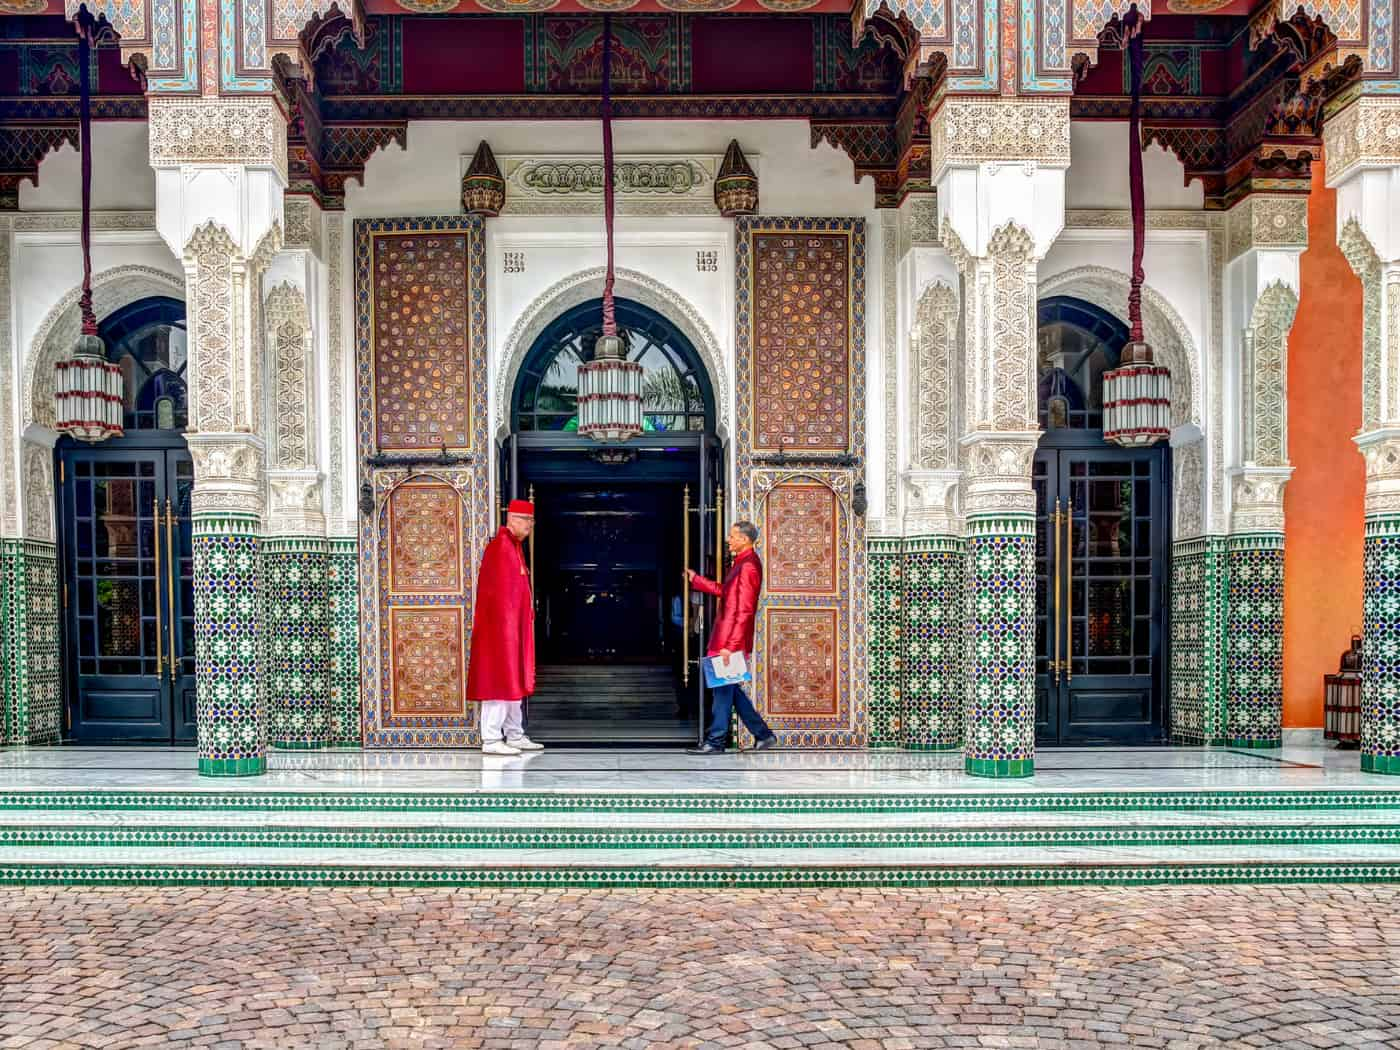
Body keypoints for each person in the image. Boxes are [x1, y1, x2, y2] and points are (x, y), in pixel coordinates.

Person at [684, 520, 777, 755]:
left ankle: (715, 741)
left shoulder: (749, 566)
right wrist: (697, 580)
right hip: (726, 639)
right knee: (728, 690)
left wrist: (731, 647)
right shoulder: (742, 563)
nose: (728, 540)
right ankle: (763, 735)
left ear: (744, 539)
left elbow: (745, 609)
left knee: (723, 692)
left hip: (729, 642)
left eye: (732, 536)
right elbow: (726, 592)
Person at [466, 499, 543, 756]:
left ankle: (514, 734)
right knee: (499, 682)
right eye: (527, 521)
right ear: (513, 519)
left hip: (513, 631)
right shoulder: (500, 548)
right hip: (499, 633)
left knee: (513, 682)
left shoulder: (514, 547)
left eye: (531, 522)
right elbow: (496, 598)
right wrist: (505, 632)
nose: (530, 526)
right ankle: (490, 738)